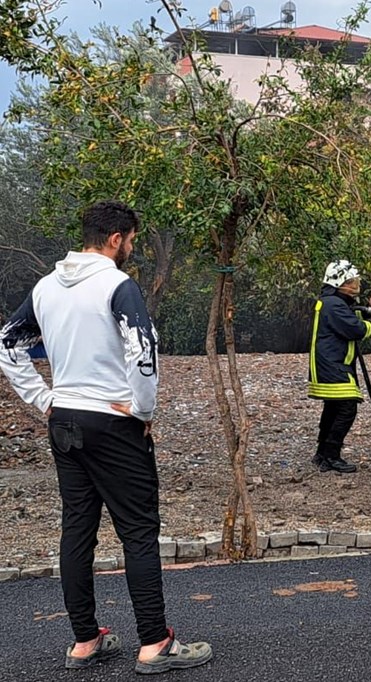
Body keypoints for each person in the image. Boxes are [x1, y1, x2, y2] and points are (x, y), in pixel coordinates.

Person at [0, 201, 212, 673]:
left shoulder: (44, 288)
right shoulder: (117, 284)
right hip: (114, 423)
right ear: (115, 238)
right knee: (138, 531)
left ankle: (84, 640)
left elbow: (7, 343)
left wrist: (43, 398)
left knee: (77, 530)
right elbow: (144, 347)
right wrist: (143, 409)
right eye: (132, 240)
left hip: (66, 419)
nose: (131, 247)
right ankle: (155, 643)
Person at [308, 260, 371, 474]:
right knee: (346, 408)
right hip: (332, 366)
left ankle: (322, 455)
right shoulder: (333, 304)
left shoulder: (332, 302)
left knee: (333, 408)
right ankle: (331, 455)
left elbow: (350, 315)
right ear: (339, 282)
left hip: (331, 364)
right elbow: (355, 329)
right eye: (351, 282)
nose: (355, 286)